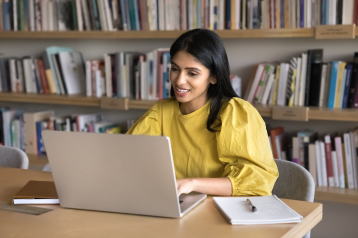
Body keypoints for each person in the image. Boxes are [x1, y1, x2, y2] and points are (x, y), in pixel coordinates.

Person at [127, 29, 278, 196]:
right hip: (177, 209)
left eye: (192, 73)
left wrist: (193, 183)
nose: (179, 81)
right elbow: (127, 158)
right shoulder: (161, 111)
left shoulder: (235, 112)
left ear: (214, 77)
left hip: (223, 211)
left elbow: (257, 182)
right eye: (175, 69)